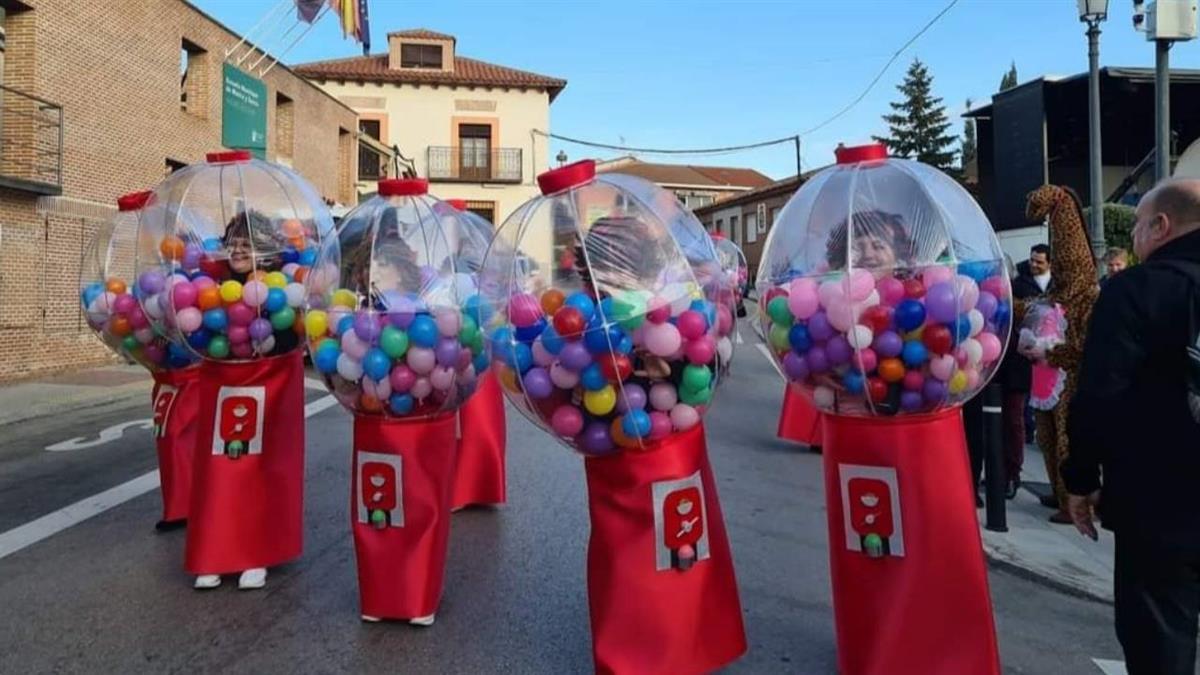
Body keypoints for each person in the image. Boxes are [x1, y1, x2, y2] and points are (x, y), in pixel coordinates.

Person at [1065, 178, 1200, 675]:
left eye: (1139, 225)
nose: (1137, 237)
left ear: (1160, 226)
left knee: (1161, 640)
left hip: (1162, 502)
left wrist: (1079, 479)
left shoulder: (1135, 290)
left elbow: (1100, 395)